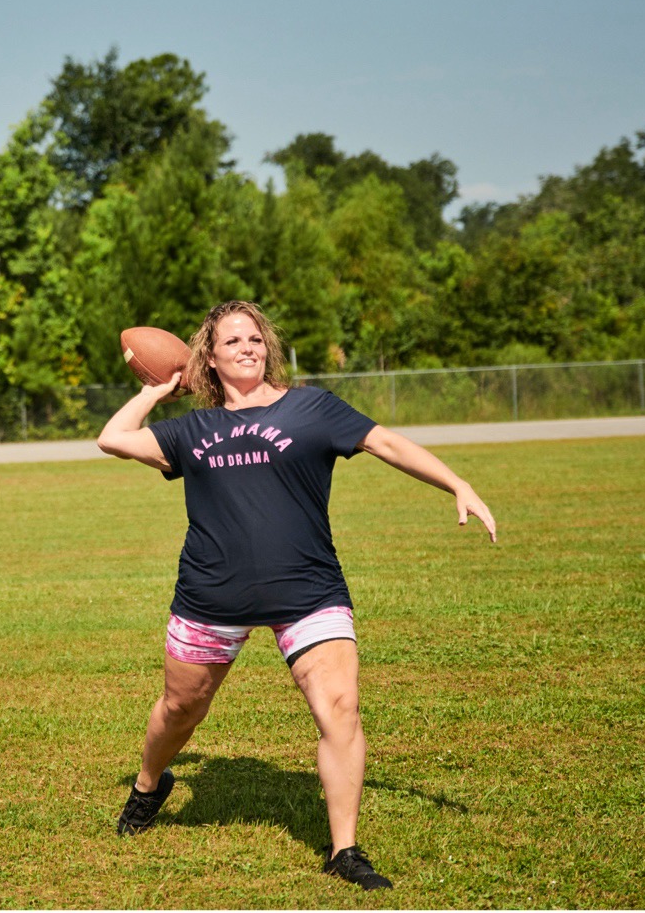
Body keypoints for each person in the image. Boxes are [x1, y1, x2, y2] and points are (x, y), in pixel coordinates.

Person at [97, 301, 496, 891]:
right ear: (210, 355)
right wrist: (162, 388)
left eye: (255, 339)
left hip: (308, 589)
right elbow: (113, 438)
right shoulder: (192, 430)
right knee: (180, 709)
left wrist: (457, 483)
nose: (247, 348)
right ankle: (150, 783)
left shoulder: (311, 407)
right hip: (211, 593)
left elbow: (386, 443)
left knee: (340, 709)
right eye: (232, 341)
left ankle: (344, 850)